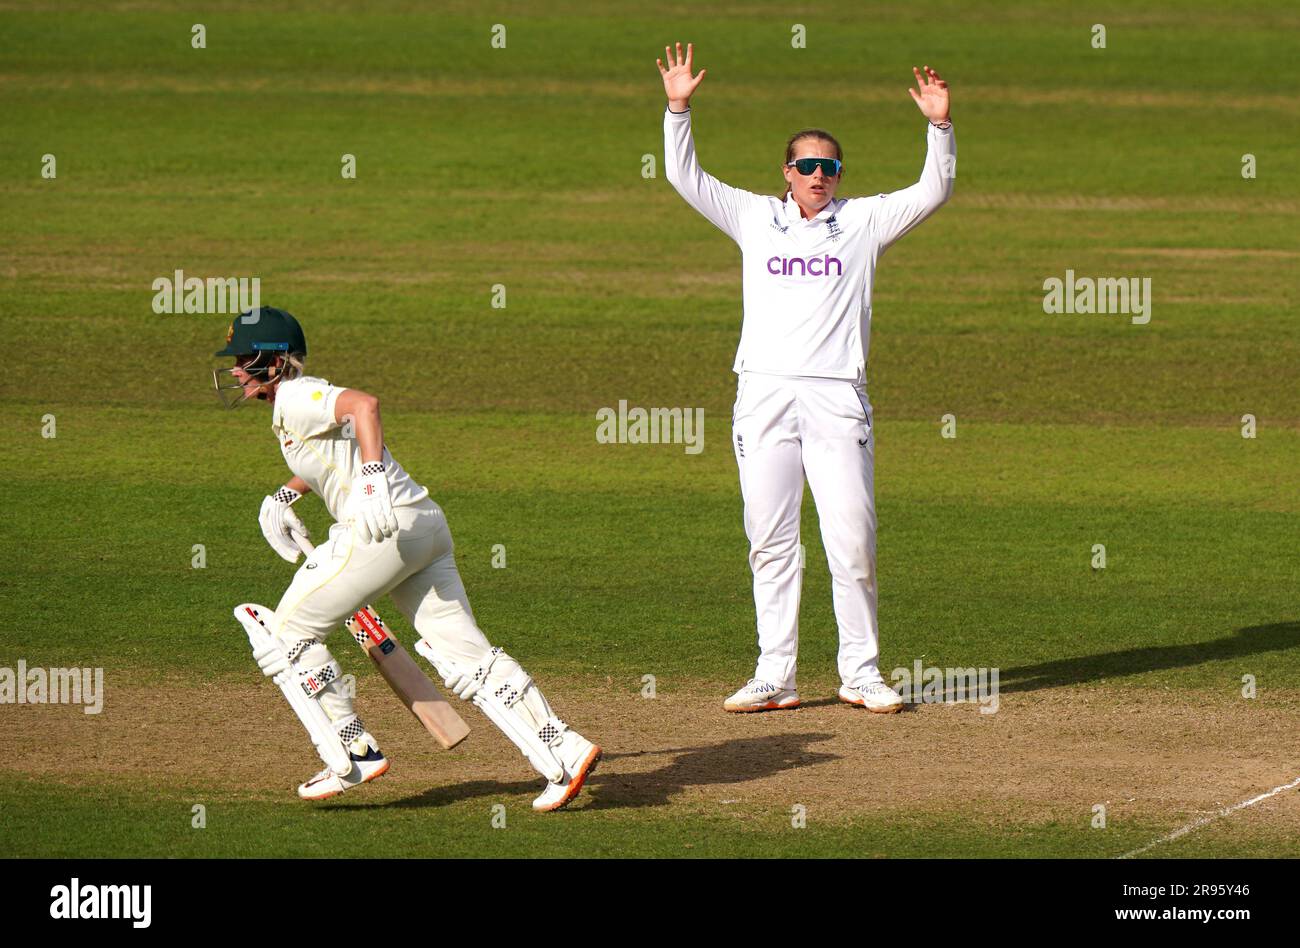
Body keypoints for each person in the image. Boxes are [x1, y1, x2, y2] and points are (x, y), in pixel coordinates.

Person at [657, 42, 955, 714]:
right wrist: (678, 108)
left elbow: (935, 190)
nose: (819, 175)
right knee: (770, 538)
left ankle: (862, 673)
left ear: (839, 173)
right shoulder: (753, 216)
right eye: (807, 165)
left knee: (851, 539)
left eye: (829, 166)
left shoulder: (864, 222)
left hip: (835, 396)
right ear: (787, 172)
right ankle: (775, 675)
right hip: (761, 392)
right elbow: (686, 179)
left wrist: (939, 126)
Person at [212, 306, 601, 810]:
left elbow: (364, 407)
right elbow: (333, 453)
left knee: (285, 634)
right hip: (423, 527)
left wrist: (372, 479)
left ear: (277, 360)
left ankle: (352, 753)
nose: (237, 371)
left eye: (245, 359)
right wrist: (287, 495)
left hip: (378, 531)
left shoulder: (298, 394)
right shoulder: (293, 406)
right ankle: (564, 749)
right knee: (463, 656)